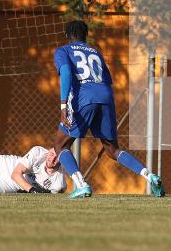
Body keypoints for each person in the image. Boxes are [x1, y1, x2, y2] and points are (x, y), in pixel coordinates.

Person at [53, 20, 164, 198]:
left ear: (67, 36)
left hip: (84, 98)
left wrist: (64, 105)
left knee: (60, 144)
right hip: (106, 97)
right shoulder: (96, 53)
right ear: (86, 35)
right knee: (112, 150)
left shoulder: (63, 51)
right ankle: (150, 176)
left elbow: (66, 73)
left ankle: (81, 185)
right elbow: (106, 80)